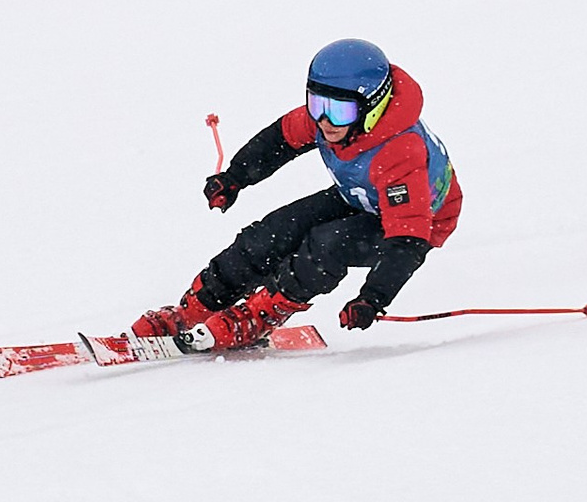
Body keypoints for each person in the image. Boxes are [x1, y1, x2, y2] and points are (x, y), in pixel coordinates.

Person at [135, 38, 464, 352]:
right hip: (360, 196)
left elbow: (408, 238)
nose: (325, 121)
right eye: (318, 104)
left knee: (326, 246)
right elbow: (278, 141)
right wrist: (234, 178)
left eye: (340, 112)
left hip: (420, 222)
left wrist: (373, 297)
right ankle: (193, 312)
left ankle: (261, 315)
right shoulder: (326, 120)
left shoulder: (399, 151)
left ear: (372, 108)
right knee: (271, 233)